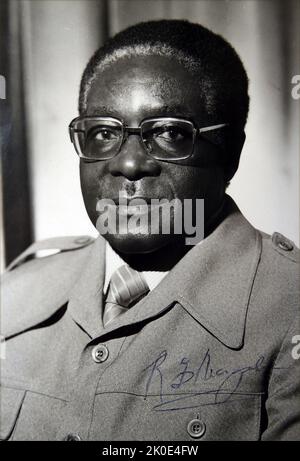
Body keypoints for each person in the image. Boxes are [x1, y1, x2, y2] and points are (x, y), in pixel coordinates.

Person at [1, 19, 299, 441]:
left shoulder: (288, 307)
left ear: (230, 153)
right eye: (103, 132)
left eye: (169, 133)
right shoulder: (14, 297)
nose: (128, 163)